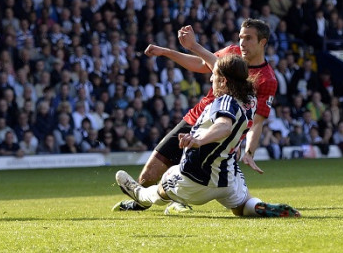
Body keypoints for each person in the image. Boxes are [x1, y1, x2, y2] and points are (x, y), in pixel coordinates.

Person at [114, 19, 277, 212]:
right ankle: (250, 206)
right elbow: (203, 64)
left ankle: (175, 199)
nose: (242, 43)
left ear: (262, 42)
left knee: (198, 173)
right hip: (197, 118)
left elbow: (255, 121)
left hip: (215, 129)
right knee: (148, 176)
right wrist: (166, 52)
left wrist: (249, 151)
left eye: (248, 38)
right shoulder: (232, 52)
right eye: (241, 37)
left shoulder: (267, 79)